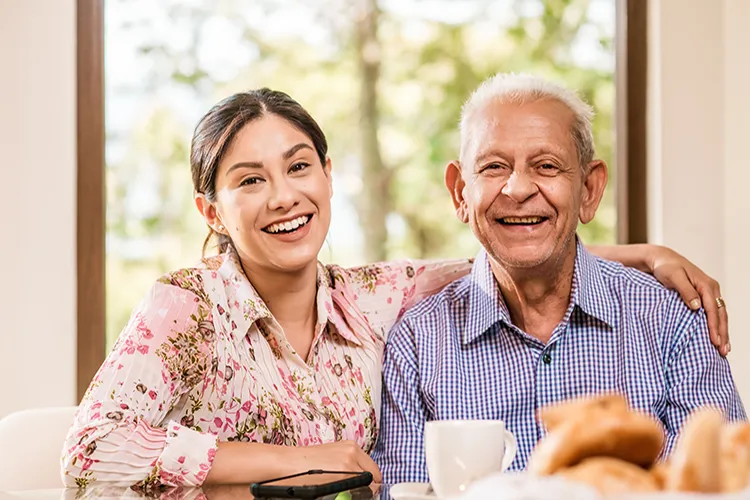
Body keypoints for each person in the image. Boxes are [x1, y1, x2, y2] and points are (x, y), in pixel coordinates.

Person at [62, 88, 732, 490]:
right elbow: (90, 447)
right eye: (249, 180)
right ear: (212, 211)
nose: (284, 196)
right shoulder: (187, 307)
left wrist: (640, 257)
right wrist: (298, 463)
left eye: (299, 167)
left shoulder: (372, 299)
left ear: (327, 175)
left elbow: (505, 247)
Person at [371, 73, 747, 484]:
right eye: (494, 167)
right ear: (461, 192)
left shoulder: (673, 318)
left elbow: (723, 484)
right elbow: (400, 492)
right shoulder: (417, 342)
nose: (517, 189)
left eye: (546, 166)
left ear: (588, 189)